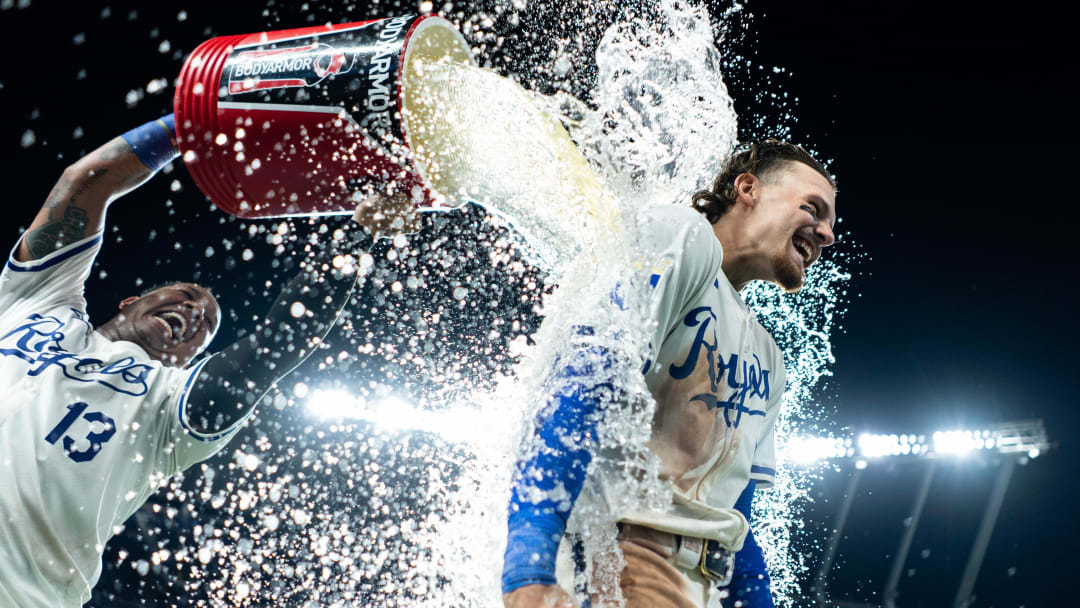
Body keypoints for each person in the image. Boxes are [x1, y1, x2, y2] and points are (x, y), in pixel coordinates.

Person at [0, 114, 369, 607]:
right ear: (132, 300)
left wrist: (359, 231)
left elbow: (279, 343)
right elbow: (85, 182)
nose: (195, 310)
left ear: (192, 359)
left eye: (208, 326)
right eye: (188, 294)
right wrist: (190, 124)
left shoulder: (167, 412)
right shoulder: (36, 299)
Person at [501, 140, 838, 608]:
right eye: (813, 209)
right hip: (628, 563)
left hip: (701, 583)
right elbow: (584, 385)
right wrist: (527, 566)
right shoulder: (681, 235)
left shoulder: (768, 354)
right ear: (747, 189)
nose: (826, 234)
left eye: (830, 224)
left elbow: (731, 512)